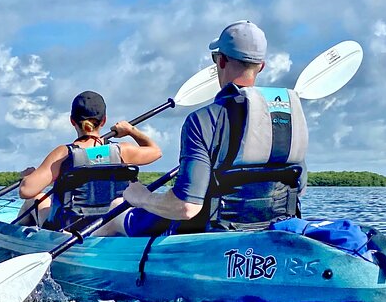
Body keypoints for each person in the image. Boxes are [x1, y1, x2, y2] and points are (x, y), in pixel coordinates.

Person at [96, 20, 308, 237]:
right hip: (272, 226)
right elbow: (299, 189)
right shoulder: (288, 117)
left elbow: (187, 207)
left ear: (221, 60)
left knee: (116, 207)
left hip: (209, 234)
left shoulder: (203, 120)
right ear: (261, 66)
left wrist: (141, 198)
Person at [15, 90, 162, 230]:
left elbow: (26, 191)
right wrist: (131, 131)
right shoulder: (122, 151)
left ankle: (13, 238)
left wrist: (29, 176)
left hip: (68, 228)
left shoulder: (63, 154)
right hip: (109, 221)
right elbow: (156, 152)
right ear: (103, 120)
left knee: (34, 200)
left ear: (72, 121)